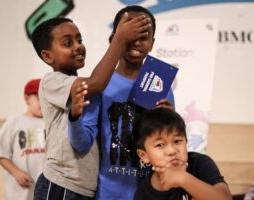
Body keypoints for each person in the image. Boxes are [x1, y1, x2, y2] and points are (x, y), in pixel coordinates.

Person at [31, 15, 151, 200]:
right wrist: (119, 39)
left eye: (79, 40)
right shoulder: (51, 82)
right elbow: (95, 83)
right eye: (67, 43)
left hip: (85, 189)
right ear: (47, 56)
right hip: (61, 183)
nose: (78, 46)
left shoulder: (89, 94)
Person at [68, 5, 175, 200]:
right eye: (129, 36)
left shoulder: (162, 85)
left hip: (151, 191)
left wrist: (170, 120)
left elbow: (170, 146)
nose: (136, 42)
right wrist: (74, 117)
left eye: (143, 37)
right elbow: (81, 144)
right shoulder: (100, 85)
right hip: (108, 192)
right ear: (114, 39)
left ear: (152, 43)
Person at [132, 107, 232, 200]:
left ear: (186, 141)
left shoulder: (200, 163)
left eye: (177, 141)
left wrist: (183, 179)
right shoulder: (143, 194)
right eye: (160, 145)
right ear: (143, 155)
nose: (172, 151)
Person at [0, 78, 45, 200]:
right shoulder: (14, 122)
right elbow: (0, 153)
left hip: (46, 188)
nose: (43, 103)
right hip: (22, 187)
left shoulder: (51, 123)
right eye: (39, 98)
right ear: (27, 98)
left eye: (46, 99)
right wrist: (16, 172)